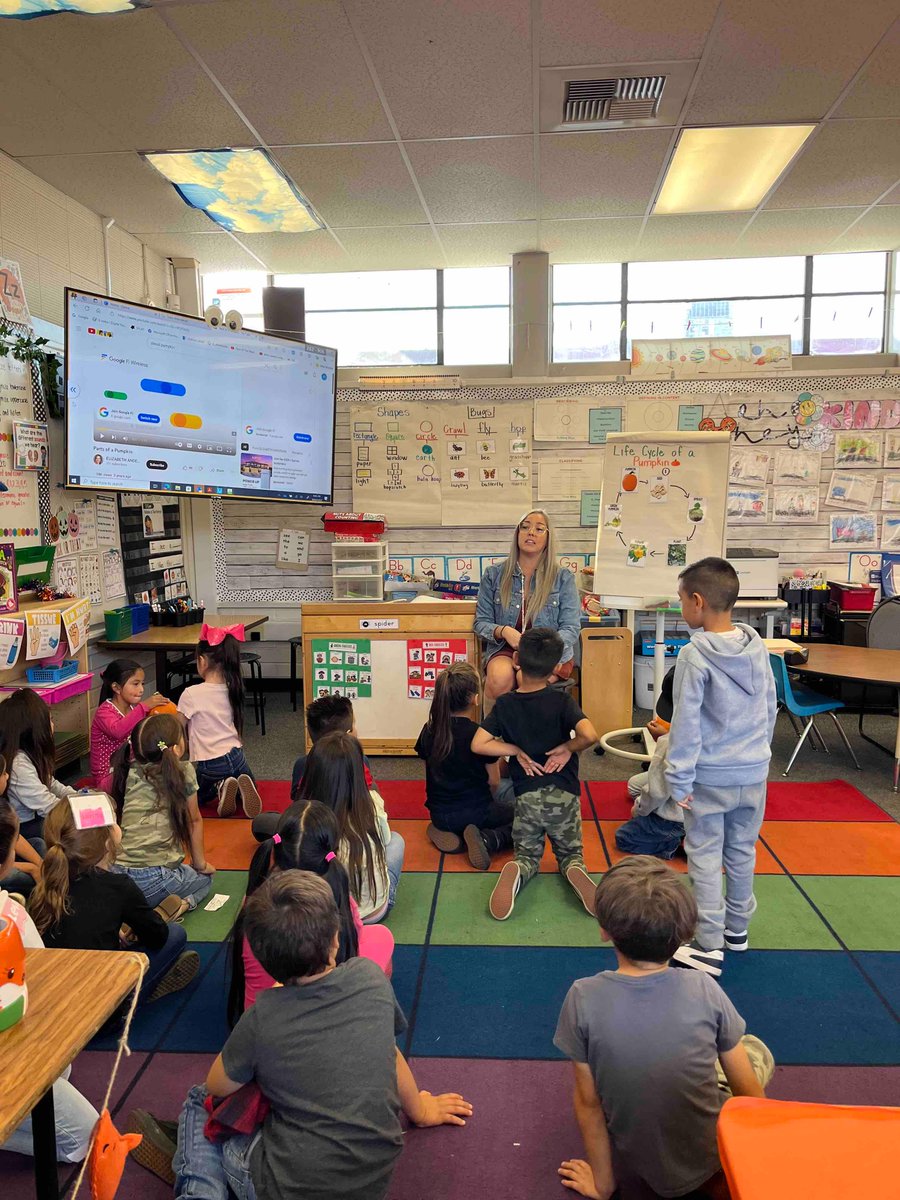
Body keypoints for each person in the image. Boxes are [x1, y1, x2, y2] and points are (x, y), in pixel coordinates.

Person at [171, 872, 472, 1200]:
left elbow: (217, 1085)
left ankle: (200, 1188)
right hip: (370, 1182)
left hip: (282, 1187)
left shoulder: (262, 1016)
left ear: (262, 958)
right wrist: (421, 1111)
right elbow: (390, 1051)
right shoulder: (370, 977)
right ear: (336, 938)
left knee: (200, 1098)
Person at [554, 856, 774, 1200]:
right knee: (754, 1048)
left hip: (644, 1166)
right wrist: (751, 1164)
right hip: (716, 1162)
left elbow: (588, 1101)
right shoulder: (704, 988)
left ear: (604, 929)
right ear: (684, 934)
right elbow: (748, 1092)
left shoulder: (582, 997)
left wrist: (603, 1184)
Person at [665, 558, 777, 976]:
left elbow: (685, 724)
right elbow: (769, 707)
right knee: (743, 850)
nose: (681, 607)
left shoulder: (694, 655)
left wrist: (678, 779)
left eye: (681, 600)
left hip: (710, 777)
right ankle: (737, 930)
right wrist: (758, 756)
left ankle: (708, 945)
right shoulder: (757, 647)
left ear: (697, 601)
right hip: (753, 772)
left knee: (706, 855)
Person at [472, 627, 598, 920]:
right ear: (556, 668)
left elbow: (478, 744)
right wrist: (568, 747)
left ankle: (519, 868)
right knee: (570, 854)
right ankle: (574, 868)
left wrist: (514, 749)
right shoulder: (563, 701)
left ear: (516, 660)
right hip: (564, 795)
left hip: (526, 795)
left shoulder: (505, 704)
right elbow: (590, 735)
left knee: (527, 856)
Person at [229, 801, 394, 1024]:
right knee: (381, 936)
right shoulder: (339, 899)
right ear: (333, 852)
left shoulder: (256, 904)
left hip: (261, 1019)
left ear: (276, 851)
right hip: (324, 1014)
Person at [0, 801, 100, 1164]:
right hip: (11, 1052)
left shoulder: (14, 912)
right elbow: (49, 990)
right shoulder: (11, 917)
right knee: (88, 1138)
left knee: (63, 1066)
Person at [29, 796, 199, 1005]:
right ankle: (143, 990)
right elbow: (158, 937)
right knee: (175, 933)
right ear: (108, 839)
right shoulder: (119, 886)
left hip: (55, 997)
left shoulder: (44, 887)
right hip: (104, 1004)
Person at [474, 510, 581, 707]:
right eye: (525, 527)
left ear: (548, 539)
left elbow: (571, 628)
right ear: (517, 534)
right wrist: (504, 631)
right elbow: (481, 623)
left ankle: (532, 728)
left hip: (548, 653)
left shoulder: (563, 577)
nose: (530, 532)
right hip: (506, 649)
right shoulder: (493, 575)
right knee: (498, 680)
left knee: (527, 680)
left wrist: (538, 651)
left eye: (539, 529)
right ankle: (494, 727)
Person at [414, 660, 514, 870]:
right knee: (527, 819)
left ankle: (444, 830)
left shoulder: (429, 729)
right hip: (478, 813)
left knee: (463, 809)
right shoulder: (479, 735)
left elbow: (429, 772)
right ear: (475, 698)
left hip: (440, 813)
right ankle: (488, 839)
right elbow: (494, 782)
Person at [110, 713, 214, 912]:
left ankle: (136, 912)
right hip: (155, 879)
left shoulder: (132, 770)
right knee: (205, 880)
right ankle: (181, 906)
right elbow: (194, 821)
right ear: (175, 749)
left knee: (177, 872)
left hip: (118, 875)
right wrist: (201, 865)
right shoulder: (185, 771)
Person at [297, 732, 404, 922]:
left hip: (322, 917)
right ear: (359, 772)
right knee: (396, 841)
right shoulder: (372, 803)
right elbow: (385, 840)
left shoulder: (305, 814)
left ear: (313, 773)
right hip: (371, 913)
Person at [250, 693, 378, 843]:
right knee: (395, 840)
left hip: (312, 832)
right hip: (353, 833)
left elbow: (298, 803)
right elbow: (371, 803)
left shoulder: (302, 764)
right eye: (354, 726)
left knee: (261, 823)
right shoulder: (361, 761)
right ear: (348, 735)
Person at [177, 623, 261, 819]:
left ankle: (220, 786)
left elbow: (176, 727)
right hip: (238, 757)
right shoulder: (233, 687)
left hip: (210, 764)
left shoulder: (191, 694)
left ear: (202, 661)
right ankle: (236, 784)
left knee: (194, 798)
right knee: (249, 787)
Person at [614, 667, 684, 860]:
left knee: (624, 838)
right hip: (713, 804)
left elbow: (658, 792)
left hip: (682, 816)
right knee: (635, 785)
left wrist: (639, 810)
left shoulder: (669, 744)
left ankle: (675, 842)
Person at [0, 688, 77, 842]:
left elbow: (51, 784)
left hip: (37, 817)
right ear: (34, 730)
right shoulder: (18, 765)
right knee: (73, 833)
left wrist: (77, 796)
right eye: (49, 720)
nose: (53, 725)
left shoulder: (29, 753)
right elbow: (46, 806)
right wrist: (79, 808)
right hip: (25, 827)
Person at [90, 659, 167, 793]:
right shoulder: (104, 712)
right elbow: (118, 731)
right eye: (135, 684)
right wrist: (144, 707)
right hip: (109, 777)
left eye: (142, 684)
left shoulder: (133, 710)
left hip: (129, 769)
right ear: (116, 687)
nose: (141, 689)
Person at [0, 757, 45, 899]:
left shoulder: (3, 806)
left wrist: (40, 865)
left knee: (38, 844)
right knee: (21, 876)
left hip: (5, 855)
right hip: (3, 863)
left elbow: (15, 837)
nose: (7, 776)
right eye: (3, 773)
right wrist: (32, 869)